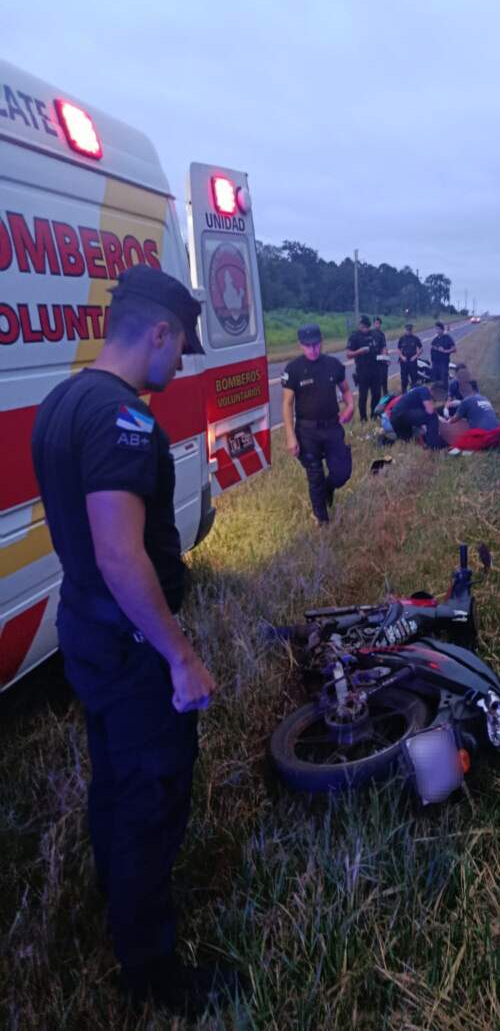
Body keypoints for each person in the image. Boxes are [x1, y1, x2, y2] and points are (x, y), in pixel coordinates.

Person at [30, 265, 234, 1016]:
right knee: (153, 790)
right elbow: (121, 553)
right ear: (158, 332)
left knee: (114, 774)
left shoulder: (62, 400)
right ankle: (153, 973)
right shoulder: (123, 419)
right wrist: (180, 656)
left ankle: (115, 896)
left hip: (83, 624)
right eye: (180, 347)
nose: (179, 365)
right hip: (128, 641)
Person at [282, 324, 354, 524]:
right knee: (314, 475)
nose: (313, 349)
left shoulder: (333, 365)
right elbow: (287, 404)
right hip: (307, 431)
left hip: (332, 426)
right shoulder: (293, 369)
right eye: (308, 346)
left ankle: (329, 487)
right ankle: (322, 519)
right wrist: (290, 436)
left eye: (316, 344)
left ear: (321, 342)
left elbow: (346, 391)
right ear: (300, 345)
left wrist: (350, 407)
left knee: (341, 473)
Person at [389, 382, 446, 449]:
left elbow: (422, 415)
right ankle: (433, 447)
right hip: (402, 415)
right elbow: (430, 411)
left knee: (407, 442)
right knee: (432, 418)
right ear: (433, 390)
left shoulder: (416, 394)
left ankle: (388, 442)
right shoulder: (424, 390)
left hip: (395, 418)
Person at [346, 315, 381, 422]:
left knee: (376, 394)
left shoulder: (375, 335)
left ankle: (374, 415)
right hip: (362, 370)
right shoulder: (354, 336)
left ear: (366, 325)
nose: (360, 326)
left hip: (375, 369)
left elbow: (382, 347)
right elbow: (348, 354)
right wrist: (359, 351)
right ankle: (363, 418)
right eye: (360, 325)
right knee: (363, 396)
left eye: (362, 324)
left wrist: (384, 355)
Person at [397, 322, 423, 393]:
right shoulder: (402, 338)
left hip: (412, 361)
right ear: (405, 330)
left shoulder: (415, 338)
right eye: (407, 330)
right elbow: (398, 349)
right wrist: (401, 357)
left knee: (414, 379)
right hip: (404, 361)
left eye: (410, 330)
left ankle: (414, 393)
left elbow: (421, 348)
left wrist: (415, 356)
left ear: (412, 330)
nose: (408, 331)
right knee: (404, 379)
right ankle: (404, 393)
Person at [430, 321, 456, 386]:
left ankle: (445, 389)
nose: (436, 330)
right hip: (435, 361)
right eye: (436, 329)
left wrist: (445, 351)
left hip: (443, 361)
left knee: (444, 375)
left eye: (438, 329)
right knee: (435, 376)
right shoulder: (435, 339)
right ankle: (437, 388)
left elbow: (454, 349)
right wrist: (436, 348)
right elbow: (432, 346)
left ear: (442, 329)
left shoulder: (447, 338)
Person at [372, 316, 389, 396]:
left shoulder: (381, 334)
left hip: (381, 359)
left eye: (378, 323)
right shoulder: (370, 334)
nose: (377, 325)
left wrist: (386, 358)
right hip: (373, 360)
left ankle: (385, 394)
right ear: (373, 324)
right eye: (376, 323)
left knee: (384, 378)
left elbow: (384, 347)